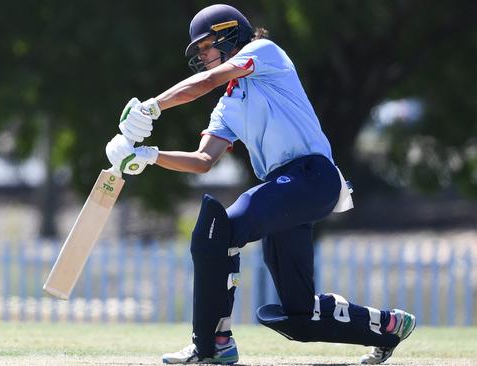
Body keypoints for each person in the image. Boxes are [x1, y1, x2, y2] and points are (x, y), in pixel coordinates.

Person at [106, 4, 416, 365]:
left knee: (217, 231)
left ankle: (213, 344)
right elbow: (203, 161)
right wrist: (148, 155)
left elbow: (206, 82)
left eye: (206, 46)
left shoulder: (263, 52)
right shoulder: (227, 105)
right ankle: (388, 326)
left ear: (229, 33)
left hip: (312, 176)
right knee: (298, 316)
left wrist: (152, 107)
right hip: (288, 191)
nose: (203, 56)